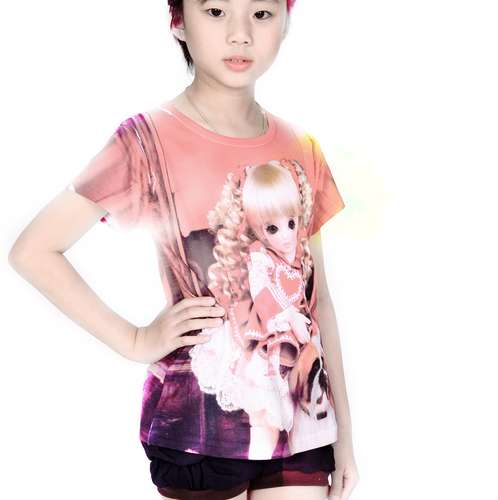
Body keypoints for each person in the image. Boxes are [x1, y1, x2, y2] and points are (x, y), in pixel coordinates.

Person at [7, 0, 359, 499]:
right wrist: (135, 340)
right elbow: (35, 250)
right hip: (201, 430)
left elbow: (317, 301)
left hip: (302, 428)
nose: (240, 33)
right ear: (178, 20)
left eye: (261, 14)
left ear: (285, 21)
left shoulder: (302, 147)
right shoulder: (146, 140)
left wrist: (343, 436)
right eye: (215, 11)